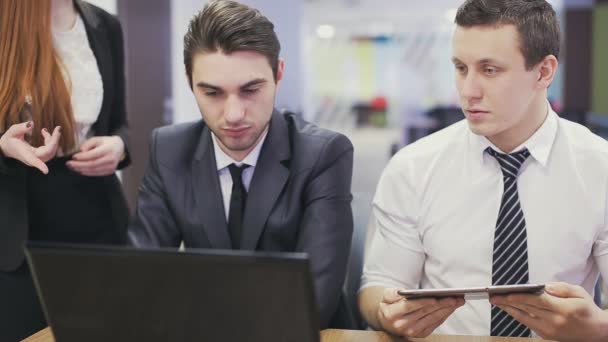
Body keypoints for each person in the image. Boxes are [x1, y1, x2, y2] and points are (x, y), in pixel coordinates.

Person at [358, 0, 608, 340]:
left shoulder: (599, 167)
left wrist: (600, 328)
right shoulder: (413, 167)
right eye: (461, 68)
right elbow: (378, 288)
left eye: (490, 70)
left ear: (544, 71)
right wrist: (387, 314)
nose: (468, 91)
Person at [127, 0, 354, 329]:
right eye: (212, 93)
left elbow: (314, 298)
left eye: (250, 90)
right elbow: (140, 277)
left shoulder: (323, 154)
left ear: (278, 74)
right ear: (191, 82)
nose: (233, 115)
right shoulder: (168, 150)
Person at [0, 0, 130, 340]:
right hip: (19, 235)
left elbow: (120, 122)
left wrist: (119, 147)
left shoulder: (105, 25)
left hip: (100, 224)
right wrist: (3, 146)